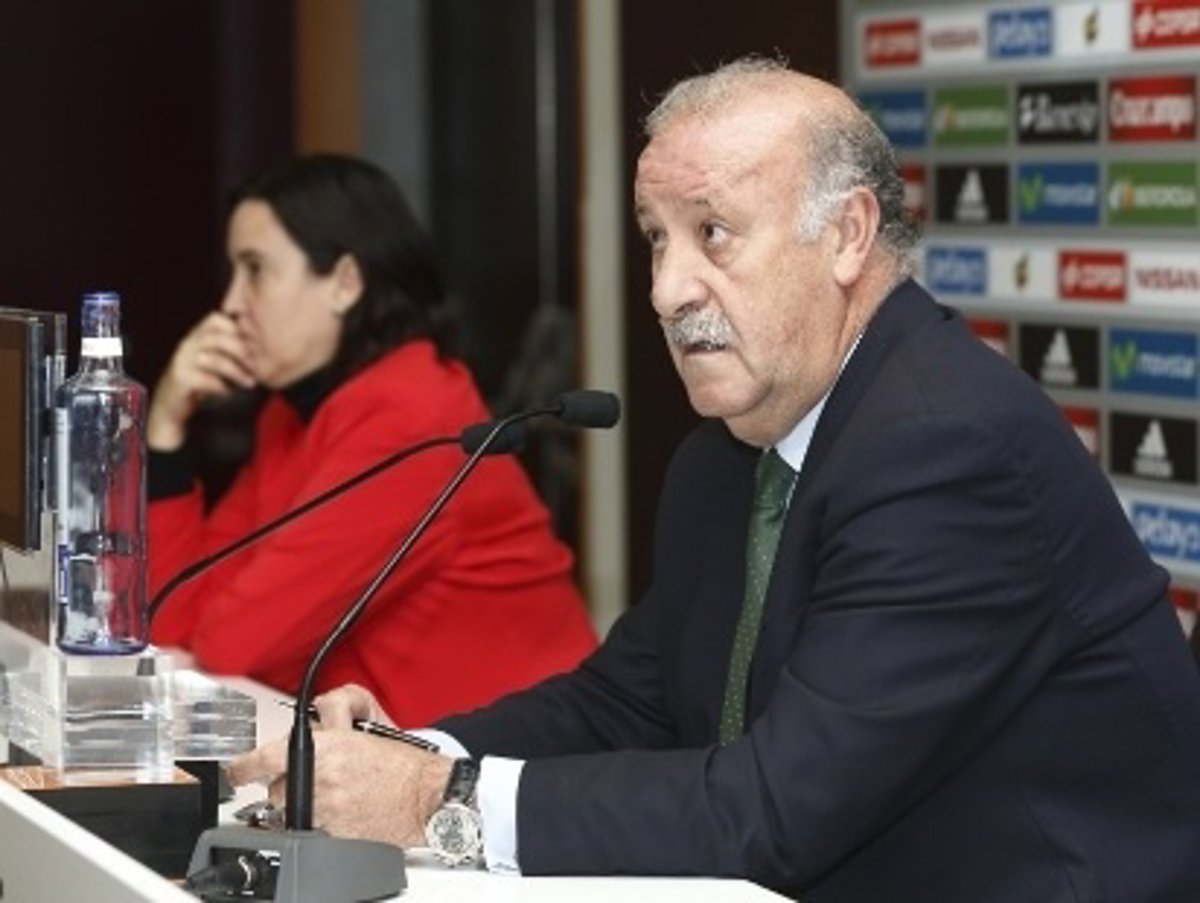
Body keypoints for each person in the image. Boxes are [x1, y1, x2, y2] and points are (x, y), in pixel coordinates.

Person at [230, 61, 1200, 900]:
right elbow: (627, 702)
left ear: (849, 235)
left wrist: (436, 803)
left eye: (714, 233)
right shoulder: (726, 454)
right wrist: (415, 754)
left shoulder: (947, 450)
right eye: (657, 237)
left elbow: (774, 809)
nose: (666, 289)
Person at [147, 154, 596, 725]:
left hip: (517, 757)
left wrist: (206, 631)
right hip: (403, 748)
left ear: (345, 283)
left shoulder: (411, 414)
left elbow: (230, 648)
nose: (231, 304)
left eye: (255, 270)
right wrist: (165, 429)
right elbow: (173, 624)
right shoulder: (291, 413)